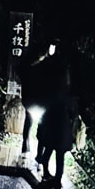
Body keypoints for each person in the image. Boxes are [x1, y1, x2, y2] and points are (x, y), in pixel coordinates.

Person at [19, 38, 65, 167]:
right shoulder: (39, 62)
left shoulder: (51, 62)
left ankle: (35, 154)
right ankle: (30, 150)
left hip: (38, 99)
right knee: (34, 124)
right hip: (36, 99)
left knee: (37, 125)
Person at [38, 85, 80, 189]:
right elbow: (75, 114)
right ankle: (57, 181)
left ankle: (46, 174)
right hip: (62, 133)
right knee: (59, 159)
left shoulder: (52, 95)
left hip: (52, 131)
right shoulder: (70, 99)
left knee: (48, 153)